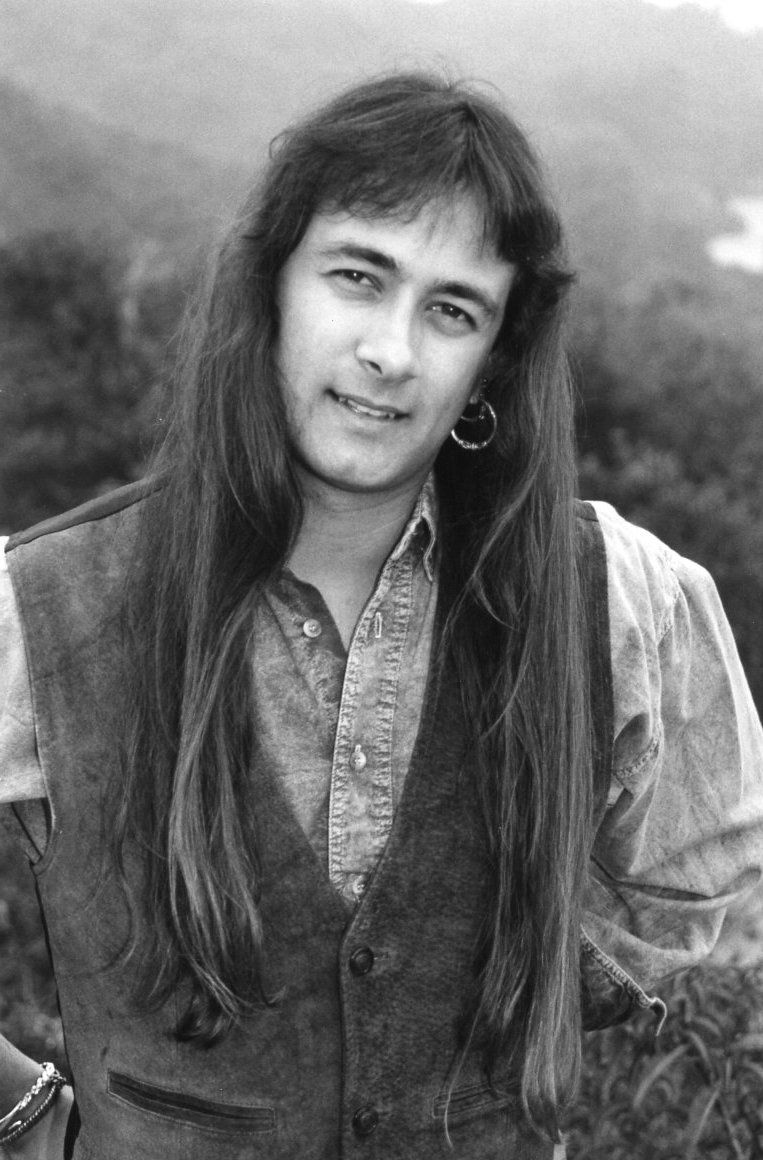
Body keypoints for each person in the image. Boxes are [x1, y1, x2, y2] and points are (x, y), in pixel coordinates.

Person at [0, 72, 761, 1160]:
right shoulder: (46, 605)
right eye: (358, 277)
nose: (392, 352)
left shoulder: (614, 596)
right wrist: (28, 1119)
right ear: (271, 288)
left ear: (490, 361)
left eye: (452, 310)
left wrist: (518, 987)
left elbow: (707, 880)